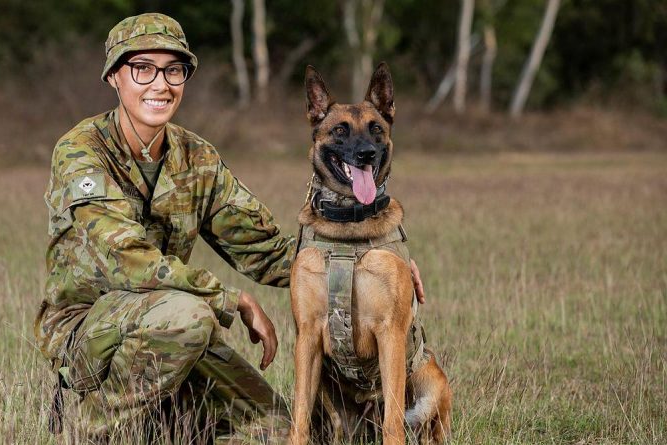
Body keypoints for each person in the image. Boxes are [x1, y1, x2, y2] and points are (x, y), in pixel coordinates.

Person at [33, 12, 427, 444]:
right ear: (113, 77)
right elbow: (125, 259)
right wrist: (231, 299)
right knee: (189, 315)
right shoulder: (80, 151)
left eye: (174, 70)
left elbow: (267, 249)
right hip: (87, 330)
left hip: (170, 331)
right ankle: (88, 428)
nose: (160, 84)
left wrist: (375, 259)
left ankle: (167, 420)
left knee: (285, 433)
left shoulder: (196, 158)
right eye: (142, 68)